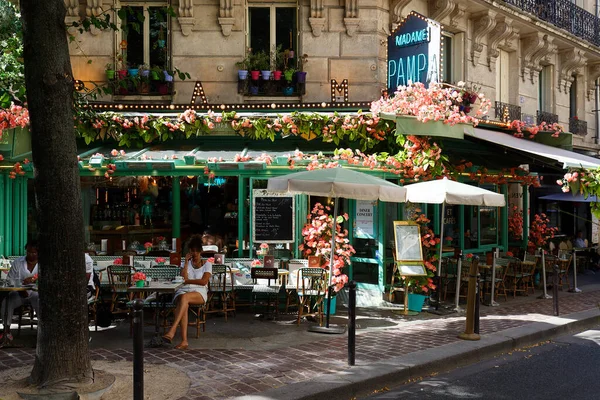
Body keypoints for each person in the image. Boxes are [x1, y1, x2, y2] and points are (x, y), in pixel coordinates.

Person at [162, 234, 212, 350]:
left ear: (200, 252)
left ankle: (172, 331)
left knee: (184, 299)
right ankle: (184, 341)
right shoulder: (186, 263)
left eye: (196, 251)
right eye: (192, 251)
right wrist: (185, 263)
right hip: (183, 291)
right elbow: (183, 278)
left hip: (199, 292)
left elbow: (204, 281)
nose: (194, 254)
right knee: (183, 302)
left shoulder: (207, 264)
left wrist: (188, 281)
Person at [0, 241, 39, 342]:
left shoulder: (44, 264)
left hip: (35, 293)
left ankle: (42, 330)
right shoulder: (18, 262)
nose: (31, 254)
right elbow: (10, 280)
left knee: (40, 302)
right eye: (29, 252)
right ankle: (6, 330)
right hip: (18, 292)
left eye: (34, 252)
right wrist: (20, 289)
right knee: (7, 302)